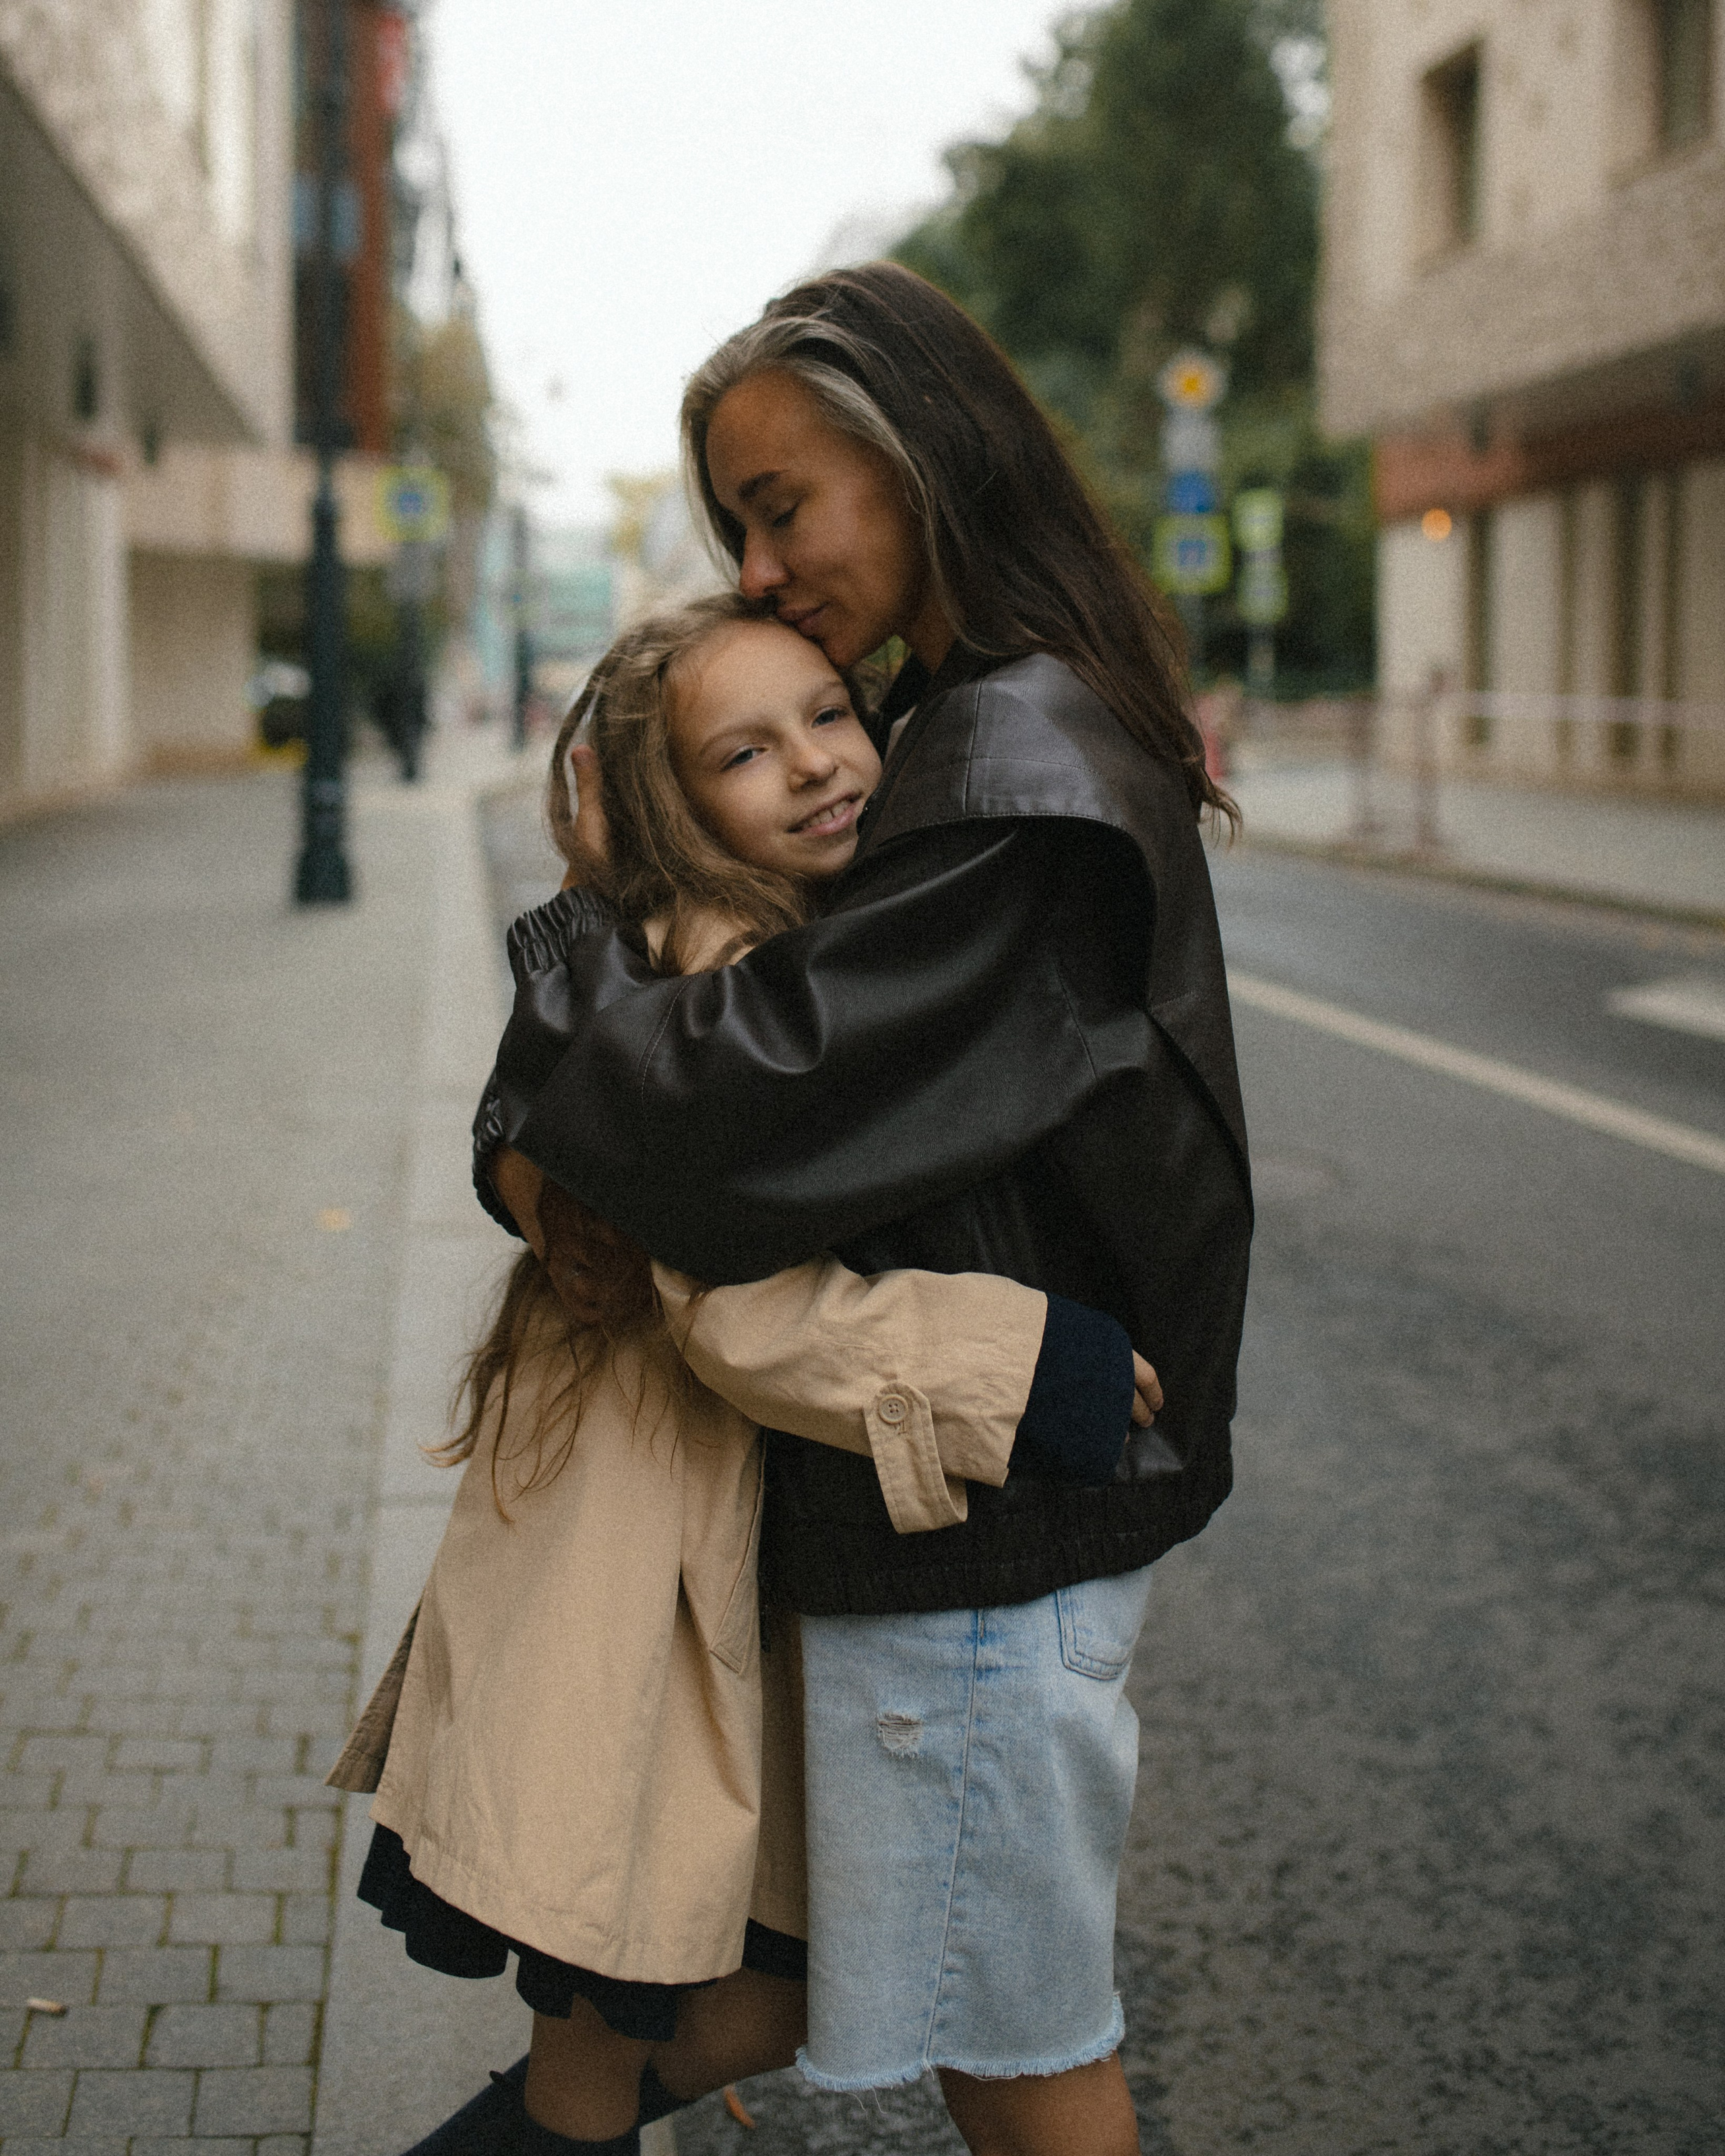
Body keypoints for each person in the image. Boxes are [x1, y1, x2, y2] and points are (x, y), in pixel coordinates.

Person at [480, 264, 1253, 2156]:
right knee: (815, 1994)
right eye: (734, 523)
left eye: (779, 506)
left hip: (992, 1516)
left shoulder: (1010, 773)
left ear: (918, 461)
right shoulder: (961, 725)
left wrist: (575, 925)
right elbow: (707, 1068)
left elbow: (729, 1106)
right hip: (948, 1505)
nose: (755, 567)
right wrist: (538, 1106)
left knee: (1014, 2044)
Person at [332, 594, 1162, 2156]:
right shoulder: (717, 970)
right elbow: (731, 1308)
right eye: (741, 751)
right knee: (687, 2005)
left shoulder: (766, 945)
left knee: (679, 2014)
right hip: (630, 1572)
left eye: (826, 717)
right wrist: (1013, 1363)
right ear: (671, 805)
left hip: (657, 1558)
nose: (811, 764)